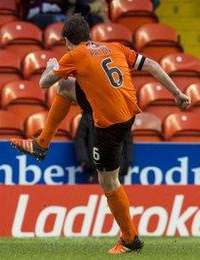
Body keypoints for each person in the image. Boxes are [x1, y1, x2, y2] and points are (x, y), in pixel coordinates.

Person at [10, 14, 190, 254]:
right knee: (65, 87)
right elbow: (152, 65)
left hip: (110, 125)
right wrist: (177, 93)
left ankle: (130, 239)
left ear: (67, 40)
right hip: (126, 112)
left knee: (108, 181)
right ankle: (41, 143)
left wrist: (52, 67)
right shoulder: (114, 47)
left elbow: (44, 83)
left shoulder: (74, 55)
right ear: (89, 35)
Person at [74, 111, 132, 183]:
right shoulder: (89, 114)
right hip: (94, 168)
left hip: (117, 168)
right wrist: (84, 161)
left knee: (116, 191)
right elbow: (80, 138)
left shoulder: (121, 115)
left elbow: (128, 141)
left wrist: (127, 162)